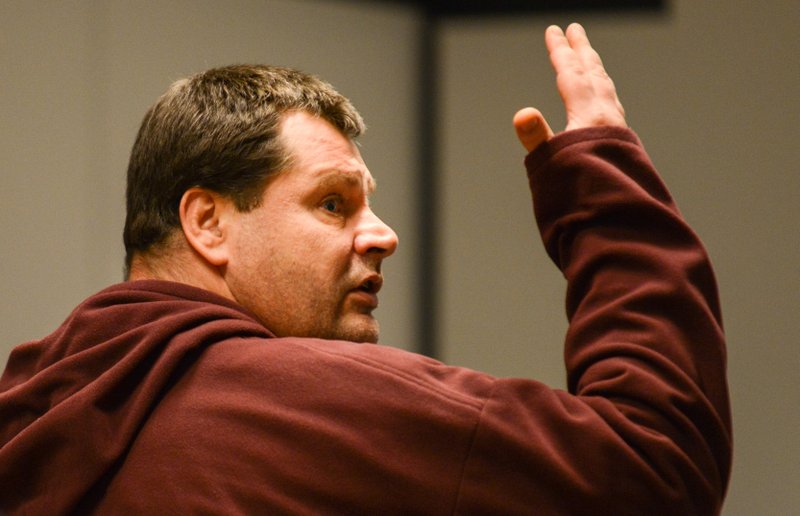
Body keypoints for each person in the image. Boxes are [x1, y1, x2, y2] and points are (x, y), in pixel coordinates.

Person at [0, 24, 731, 514]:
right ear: (207, 223)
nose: (382, 235)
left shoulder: (37, 410)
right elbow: (655, 465)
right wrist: (606, 189)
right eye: (332, 203)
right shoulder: (289, 403)